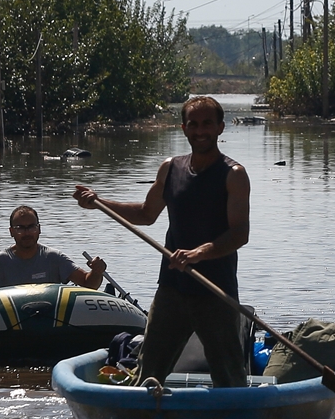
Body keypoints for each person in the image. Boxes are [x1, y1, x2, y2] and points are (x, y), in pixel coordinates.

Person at [74, 95, 250, 387]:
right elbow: (145, 214)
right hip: (172, 288)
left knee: (229, 377)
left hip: (215, 291)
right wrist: (99, 202)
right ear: (183, 128)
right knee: (148, 370)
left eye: (207, 123)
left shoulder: (234, 175)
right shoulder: (171, 168)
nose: (200, 130)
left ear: (221, 127)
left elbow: (239, 234)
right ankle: (142, 418)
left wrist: (199, 253)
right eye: (193, 124)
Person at [0, 205, 106, 296]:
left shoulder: (54, 258)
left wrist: (97, 271)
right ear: (11, 231)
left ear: (39, 229)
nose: (27, 233)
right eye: (20, 228)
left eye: (31, 227)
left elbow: (89, 283)